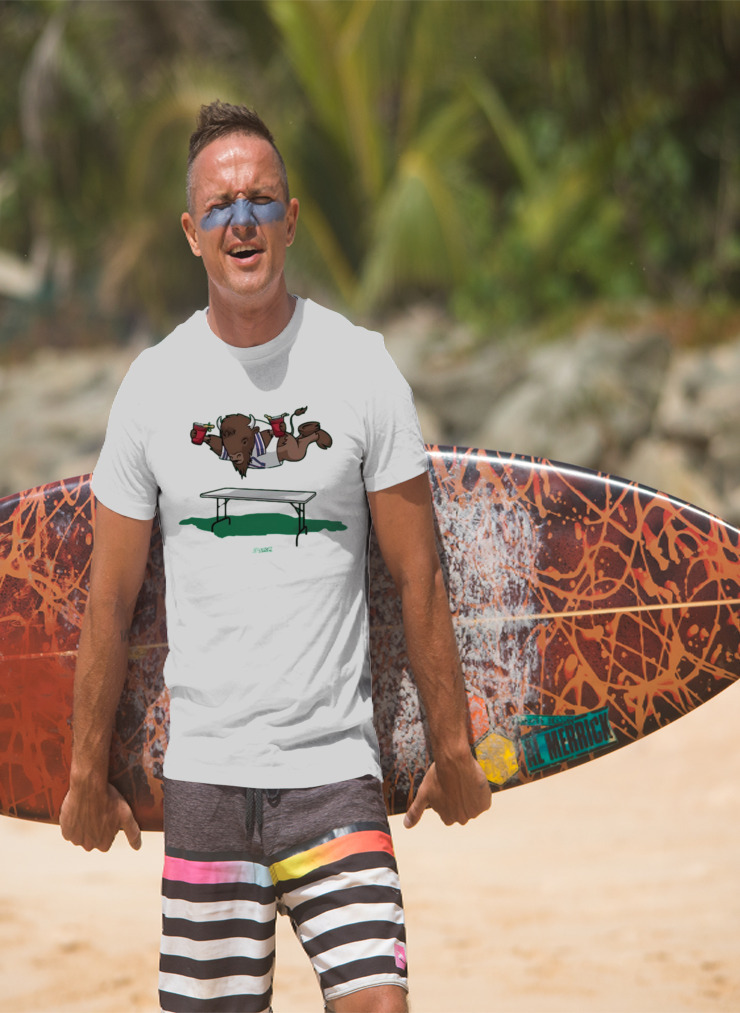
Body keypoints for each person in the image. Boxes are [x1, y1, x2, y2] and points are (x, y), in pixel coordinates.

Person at [60, 100, 491, 1013]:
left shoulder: (362, 368)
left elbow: (419, 575)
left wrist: (452, 746)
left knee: (380, 1003)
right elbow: (110, 599)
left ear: (291, 219)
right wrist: (82, 772)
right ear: (191, 232)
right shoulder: (153, 387)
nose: (242, 220)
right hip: (208, 779)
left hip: (335, 773)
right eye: (220, 206)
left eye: (261, 200)